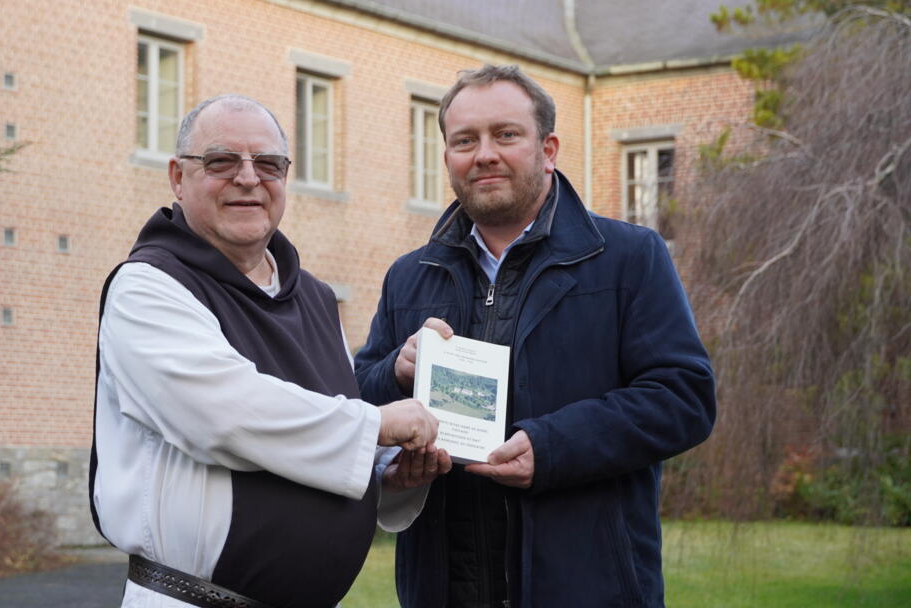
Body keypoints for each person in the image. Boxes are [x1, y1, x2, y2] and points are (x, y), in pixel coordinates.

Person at [354, 65, 717, 608]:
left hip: (589, 588)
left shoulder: (628, 257)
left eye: (506, 135)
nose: (484, 154)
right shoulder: (409, 275)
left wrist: (552, 448)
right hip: (444, 588)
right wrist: (395, 372)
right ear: (447, 156)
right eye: (464, 140)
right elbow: (355, 401)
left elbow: (683, 398)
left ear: (548, 149)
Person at [89, 94, 445, 608]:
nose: (249, 178)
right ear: (177, 177)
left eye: (269, 164)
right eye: (221, 161)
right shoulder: (148, 288)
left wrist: (389, 472)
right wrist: (378, 426)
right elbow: (225, 415)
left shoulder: (316, 298)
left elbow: (317, 432)